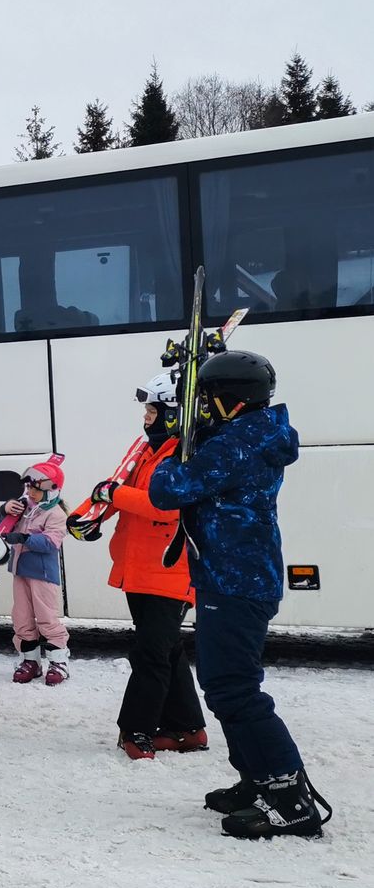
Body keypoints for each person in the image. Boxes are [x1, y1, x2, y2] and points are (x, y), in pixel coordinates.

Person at [149, 350, 330, 838]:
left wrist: (166, 446)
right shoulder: (250, 434)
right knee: (221, 681)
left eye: (208, 398)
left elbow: (168, 491)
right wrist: (188, 433)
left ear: (229, 400)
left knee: (234, 687)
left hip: (234, 581)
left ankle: (291, 801)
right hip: (233, 576)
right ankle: (257, 780)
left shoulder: (238, 445)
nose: (203, 407)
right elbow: (211, 459)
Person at [96, 373, 204, 760]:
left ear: (173, 414)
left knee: (150, 654)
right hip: (140, 568)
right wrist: (94, 516)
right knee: (166, 649)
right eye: (146, 409)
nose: (146, 417)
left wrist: (115, 494)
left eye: (153, 410)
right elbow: (121, 492)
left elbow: (167, 504)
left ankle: (136, 730)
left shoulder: (186, 454)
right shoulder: (146, 450)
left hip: (170, 571)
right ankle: (188, 727)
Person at [0, 456, 71, 686]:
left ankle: (58, 661)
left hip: (43, 574)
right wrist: (6, 509)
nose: (30, 493)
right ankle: (30, 660)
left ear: (50, 490)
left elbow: (51, 543)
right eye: (28, 487)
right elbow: (6, 525)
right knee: (21, 617)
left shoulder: (56, 514)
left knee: (47, 618)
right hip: (20, 571)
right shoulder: (26, 508)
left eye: (35, 489)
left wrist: (24, 538)